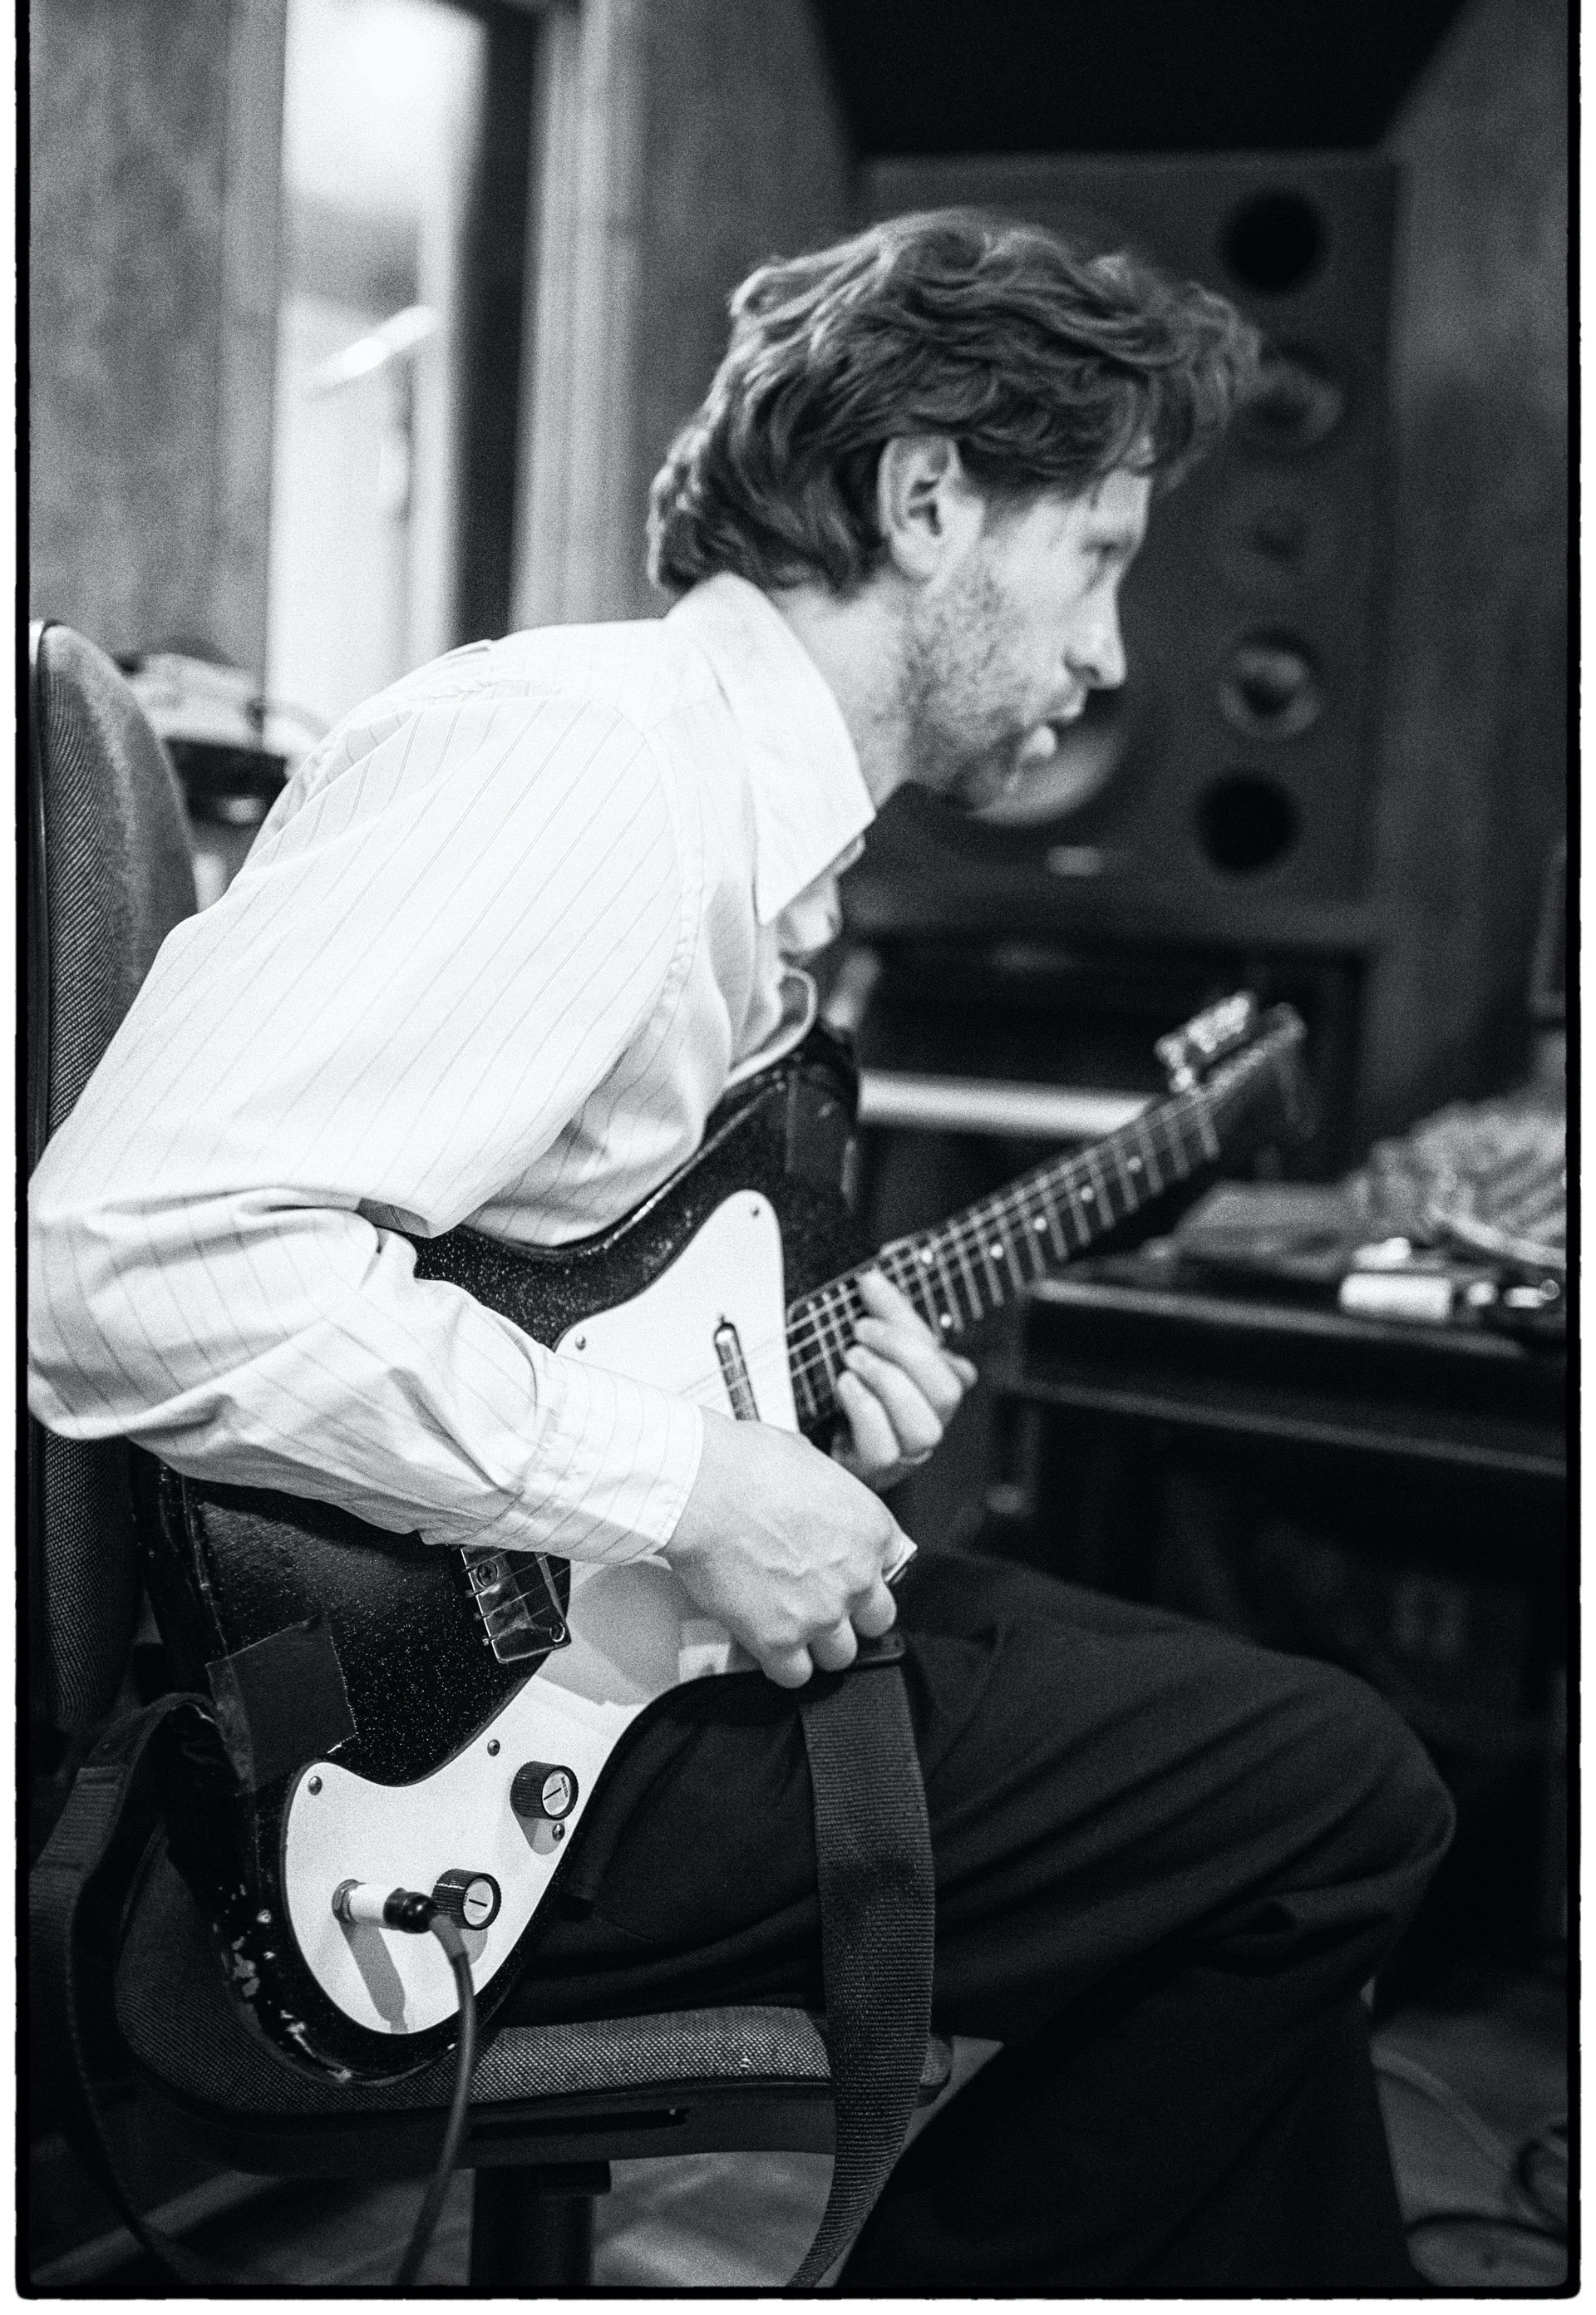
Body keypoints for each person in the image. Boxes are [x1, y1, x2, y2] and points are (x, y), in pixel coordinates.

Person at [30, 209, 1452, 2292]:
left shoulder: (728, 829)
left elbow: (562, 1286)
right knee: (1333, 1795)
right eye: (1099, 556)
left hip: (587, 1650)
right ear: (929, 500)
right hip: (413, 1755)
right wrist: (700, 1485)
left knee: (1280, 1821)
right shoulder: (588, 766)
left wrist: (787, 1426)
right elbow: (133, 1268)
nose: (1114, 657)